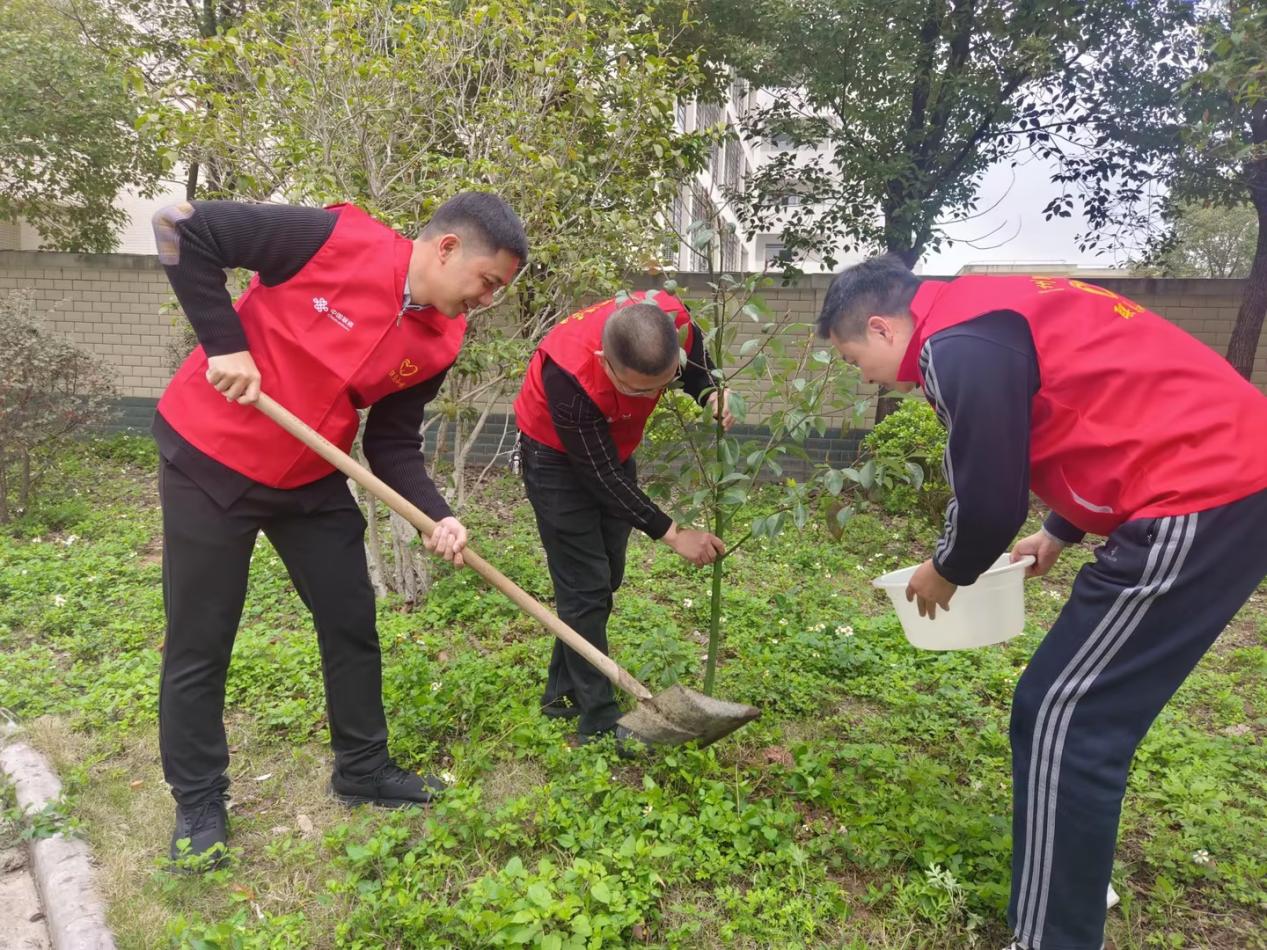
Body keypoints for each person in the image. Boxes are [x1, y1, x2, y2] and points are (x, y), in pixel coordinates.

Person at [815, 255, 1267, 950]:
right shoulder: (991, 308)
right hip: (1220, 476)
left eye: (853, 358)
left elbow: (988, 499)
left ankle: (1052, 934)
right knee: (1075, 711)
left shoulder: (954, 341)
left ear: (880, 327)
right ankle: (1072, 873)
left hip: (1200, 492)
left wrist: (946, 569)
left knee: (1065, 714)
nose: (863, 375)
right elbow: (1099, 405)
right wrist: (1060, 529)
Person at [152, 194, 527, 864]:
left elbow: (393, 444)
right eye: (487, 282)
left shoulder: (441, 338)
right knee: (201, 639)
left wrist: (436, 515)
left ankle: (362, 768)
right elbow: (182, 229)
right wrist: (226, 345)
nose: (487, 300)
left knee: (351, 620)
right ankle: (199, 800)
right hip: (209, 459)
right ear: (446, 249)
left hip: (306, 475)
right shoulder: (331, 240)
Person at [512, 292, 733, 744]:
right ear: (603, 360)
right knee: (585, 586)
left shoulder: (674, 322)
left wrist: (711, 392)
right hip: (554, 457)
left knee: (604, 577)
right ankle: (597, 716)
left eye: (661, 383)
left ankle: (562, 692)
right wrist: (674, 534)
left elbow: (699, 368)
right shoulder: (568, 375)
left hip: (611, 449)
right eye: (636, 388)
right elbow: (600, 477)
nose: (650, 397)